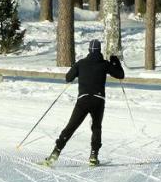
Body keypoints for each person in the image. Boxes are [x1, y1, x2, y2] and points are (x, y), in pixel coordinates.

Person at [42, 39, 124, 167]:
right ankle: (93, 155)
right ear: (99, 50)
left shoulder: (81, 63)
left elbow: (68, 78)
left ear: (89, 50)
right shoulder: (105, 64)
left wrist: (77, 72)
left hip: (83, 100)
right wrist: (115, 61)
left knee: (71, 127)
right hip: (98, 99)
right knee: (96, 127)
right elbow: (120, 75)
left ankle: (55, 154)